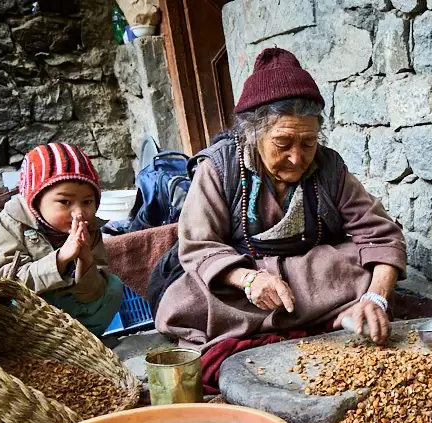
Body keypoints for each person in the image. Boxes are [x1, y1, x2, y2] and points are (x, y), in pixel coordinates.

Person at [151, 47, 407, 351]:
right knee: (185, 302)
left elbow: (381, 235)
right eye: (283, 143)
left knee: (359, 265)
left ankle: (333, 310)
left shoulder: (328, 168)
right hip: (241, 284)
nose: (297, 158)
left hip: (307, 274)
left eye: (308, 143)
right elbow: (199, 245)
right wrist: (249, 280)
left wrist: (375, 297)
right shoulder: (220, 168)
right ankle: (324, 315)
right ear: (253, 133)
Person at [0, 143, 123, 337]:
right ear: (36, 200)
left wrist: (85, 261)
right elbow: (7, 285)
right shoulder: (12, 223)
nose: (79, 212)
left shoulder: (90, 228)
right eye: (65, 202)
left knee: (113, 288)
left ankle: (82, 342)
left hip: (66, 306)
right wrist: (61, 258)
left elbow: (93, 293)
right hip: (27, 313)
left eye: (88, 202)